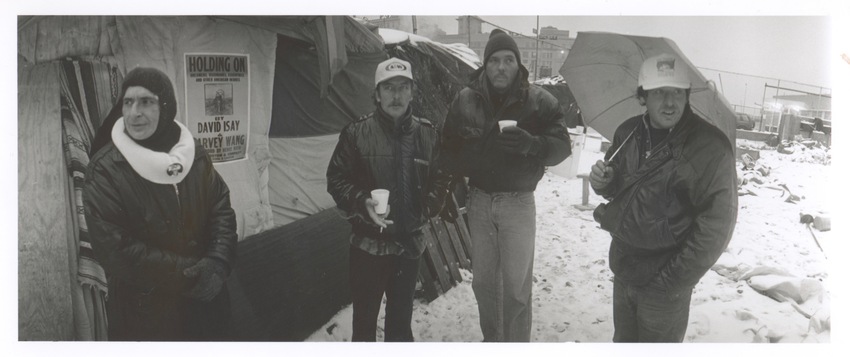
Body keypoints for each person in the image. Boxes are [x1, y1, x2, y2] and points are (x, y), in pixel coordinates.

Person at [589, 53, 738, 342]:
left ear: (687, 96)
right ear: (643, 96)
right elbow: (621, 188)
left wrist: (672, 281)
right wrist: (604, 182)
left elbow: (718, 225)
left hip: (665, 285)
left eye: (677, 93)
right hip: (624, 268)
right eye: (659, 93)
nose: (669, 102)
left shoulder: (710, 148)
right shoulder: (628, 132)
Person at [84, 67, 237, 341]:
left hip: (204, 306)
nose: (134, 112)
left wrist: (217, 261)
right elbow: (116, 247)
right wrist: (189, 274)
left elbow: (221, 209)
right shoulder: (106, 169)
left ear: (165, 107)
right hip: (146, 316)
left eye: (146, 102)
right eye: (128, 102)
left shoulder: (192, 155)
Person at [438, 29, 571, 342]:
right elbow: (447, 146)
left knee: (515, 288)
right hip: (480, 200)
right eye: (494, 60)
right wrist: (444, 188)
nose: (500, 66)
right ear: (485, 65)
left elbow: (563, 146)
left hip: (518, 202)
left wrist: (532, 144)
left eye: (508, 60)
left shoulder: (540, 101)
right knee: (483, 283)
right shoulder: (465, 99)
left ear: (518, 65)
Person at [326, 57, 452, 342]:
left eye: (402, 87)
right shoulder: (356, 133)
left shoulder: (428, 134)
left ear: (411, 92)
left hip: (408, 245)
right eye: (388, 88)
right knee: (365, 324)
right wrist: (361, 201)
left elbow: (442, 175)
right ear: (377, 94)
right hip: (367, 246)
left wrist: (429, 205)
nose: (396, 95)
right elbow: (335, 179)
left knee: (399, 324)